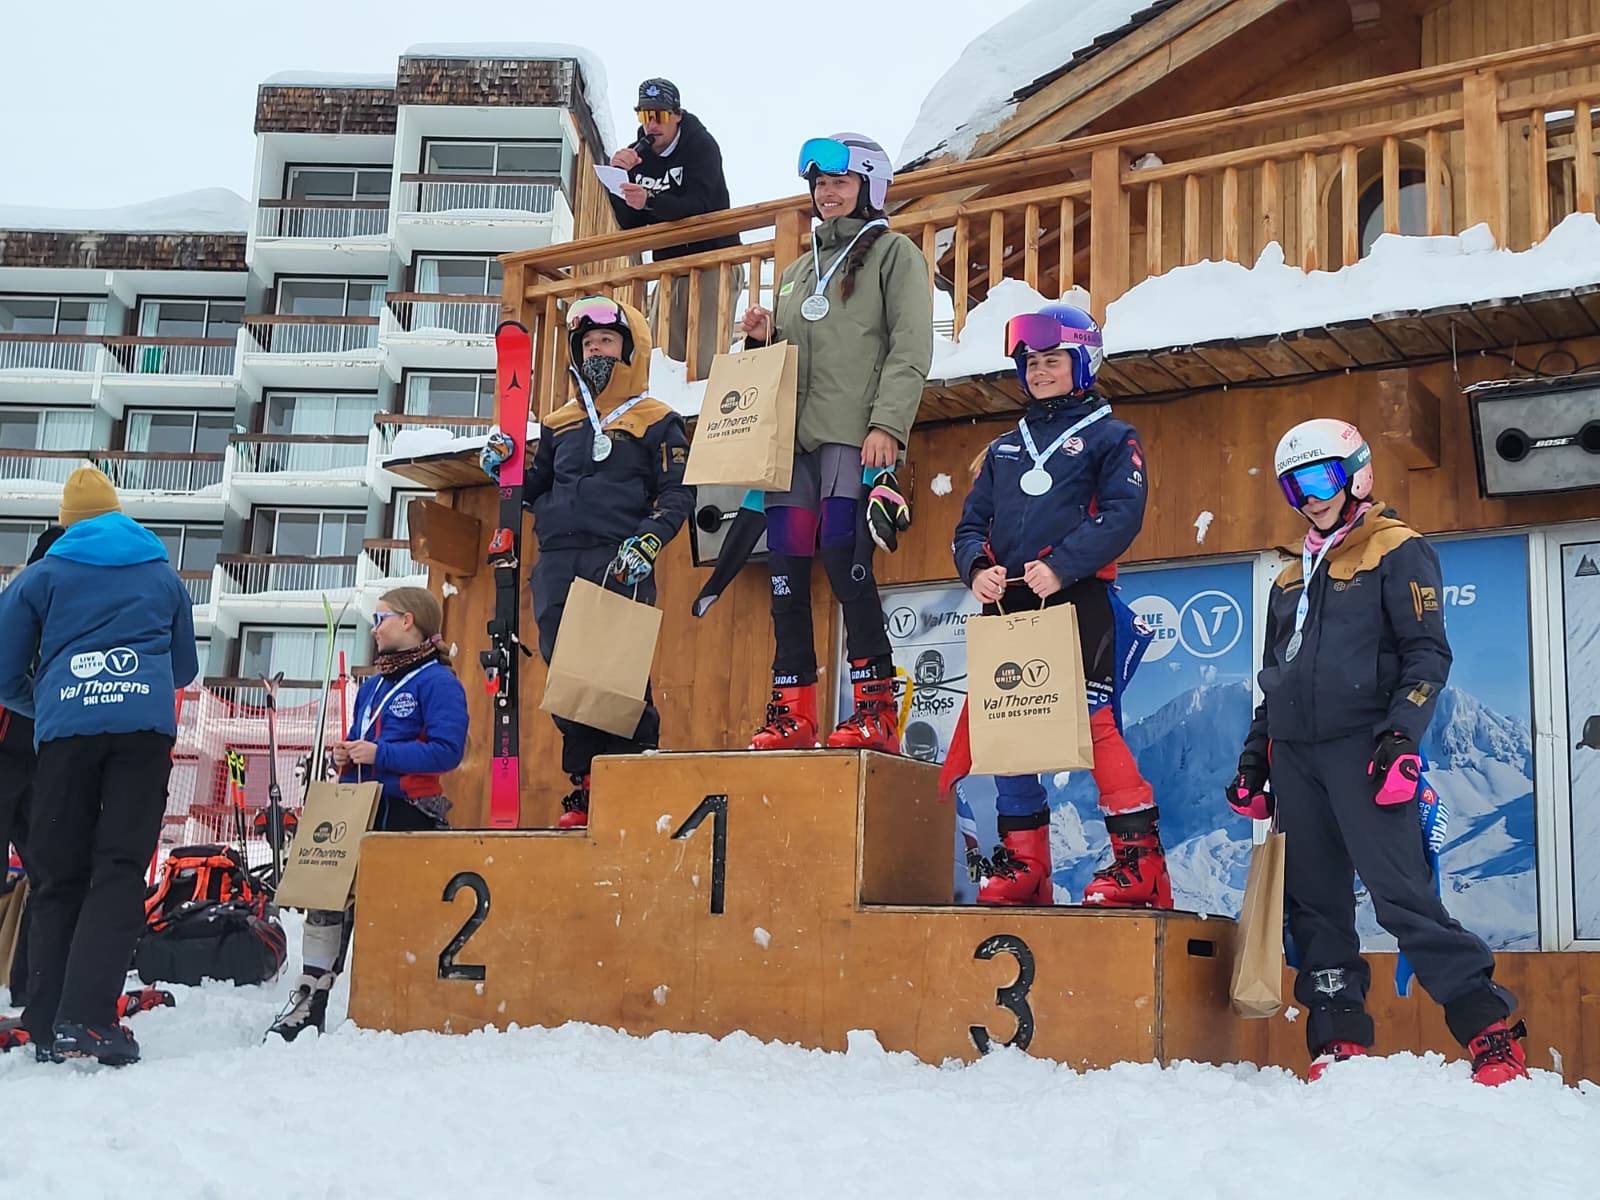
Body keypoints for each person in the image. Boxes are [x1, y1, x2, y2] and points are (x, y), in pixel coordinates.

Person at [1228, 418, 1527, 1085]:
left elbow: (1427, 655)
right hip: (1296, 757)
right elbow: (1276, 678)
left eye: (1319, 478)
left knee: (1402, 897)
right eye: (1294, 485)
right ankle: (1337, 1041)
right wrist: (1255, 759)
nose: (1309, 496)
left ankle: (1490, 1033)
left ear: (1356, 475)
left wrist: (1399, 739)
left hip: (1364, 749)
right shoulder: (1289, 576)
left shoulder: (1397, 549)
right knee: (1314, 904)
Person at [946, 304, 1166, 907]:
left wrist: (1063, 566)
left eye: (1052, 361)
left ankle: (1139, 860)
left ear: (1083, 363)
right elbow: (970, 526)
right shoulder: (1003, 449)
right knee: (1008, 730)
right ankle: (1025, 863)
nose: (1040, 372)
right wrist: (977, 569)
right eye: (1031, 364)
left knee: (1093, 726)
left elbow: (1122, 515)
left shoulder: (1112, 436)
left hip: (1079, 600)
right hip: (1009, 607)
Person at [739, 133, 932, 753]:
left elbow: (910, 347)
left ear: (870, 186)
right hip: (791, 445)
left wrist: (888, 426)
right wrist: (762, 338)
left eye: (840, 182)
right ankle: (794, 710)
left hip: (852, 434)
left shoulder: (894, 255)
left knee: (847, 560)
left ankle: (877, 709)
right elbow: (787, 360)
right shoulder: (798, 272)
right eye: (820, 184)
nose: (827, 193)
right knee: (786, 572)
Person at [0, 468, 197, 1066]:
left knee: (58, 875)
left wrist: (53, 704)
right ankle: (88, 1019)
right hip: (142, 738)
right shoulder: (162, 574)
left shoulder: (41, 576)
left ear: (65, 524)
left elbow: (5, 671)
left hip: (65, 739)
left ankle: (44, 1018)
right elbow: (183, 668)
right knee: (118, 869)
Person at [482, 297, 693, 828]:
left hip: (617, 555)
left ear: (630, 349)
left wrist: (650, 540)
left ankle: (631, 770)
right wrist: (505, 467)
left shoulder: (656, 420)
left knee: (615, 670)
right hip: (556, 559)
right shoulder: (560, 423)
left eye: (607, 341)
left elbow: (678, 493)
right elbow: (535, 490)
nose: (596, 350)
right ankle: (587, 782)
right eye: (589, 344)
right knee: (568, 675)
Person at [268, 586, 467, 1041]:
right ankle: (309, 1000)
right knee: (324, 901)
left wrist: (380, 753)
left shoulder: (438, 682)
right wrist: (346, 754)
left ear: (408, 621)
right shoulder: (374, 684)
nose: (374, 629)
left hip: (405, 810)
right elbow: (367, 740)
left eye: (381, 619)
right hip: (353, 808)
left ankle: (393, 1007)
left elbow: (447, 751)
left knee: (389, 913)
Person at [609, 77, 743, 368]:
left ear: (677, 115)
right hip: (669, 268)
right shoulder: (637, 156)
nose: (652, 125)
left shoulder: (701, 146)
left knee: (704, 359)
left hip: (714, 259)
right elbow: (631, 223)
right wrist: (618, 180)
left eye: (660, 115)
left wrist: (650, 199)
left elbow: (699, 205)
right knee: (662, 359)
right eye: (645, 116)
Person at [0, 525, 64, 1011]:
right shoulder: (18, 601)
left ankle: (34, 992)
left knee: (50, 875)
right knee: (47, 875)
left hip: (42, 760)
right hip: (9, 751)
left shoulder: (70, 611)